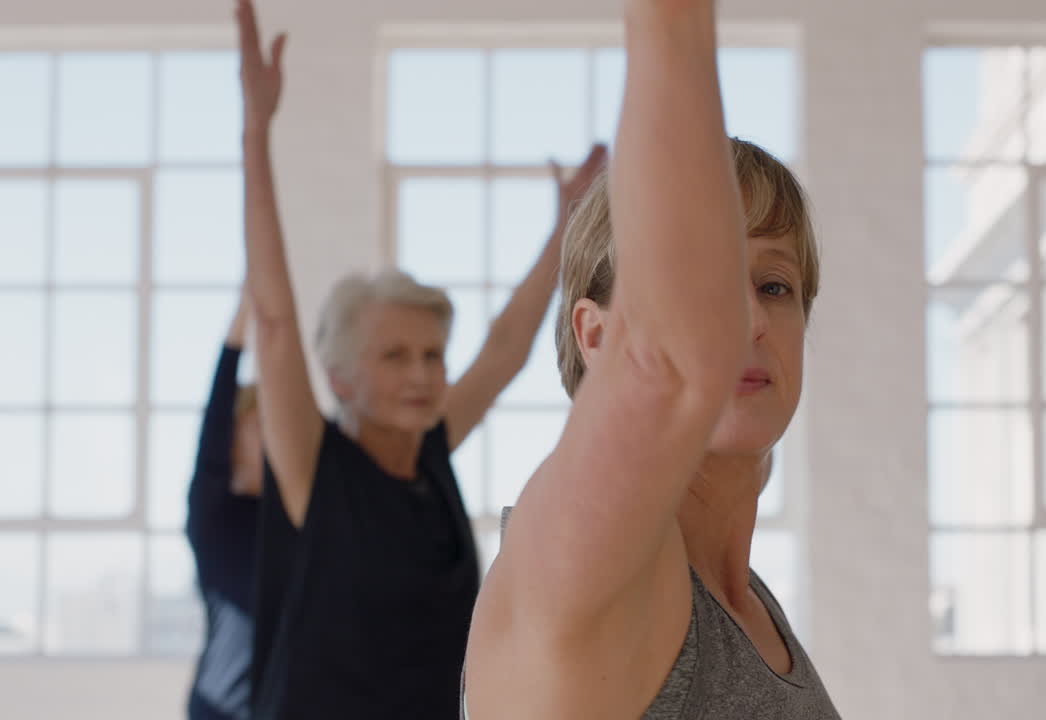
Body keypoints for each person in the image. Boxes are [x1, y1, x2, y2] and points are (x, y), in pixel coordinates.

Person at [463, 1, 840, 717]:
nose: (750, 318)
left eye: (774, 285)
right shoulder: (588, 569)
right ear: (597, 336)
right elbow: (670, 368)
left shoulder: (751, 610)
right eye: (713, 284)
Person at [233, 1, 607, 716]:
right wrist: (256, 131)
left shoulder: (431, 449)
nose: (422, 373)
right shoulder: (318, 468)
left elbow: (505, 347)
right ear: (340, 376)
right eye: (395, 355)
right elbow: (276, 322)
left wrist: (565, 227)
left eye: (433, 354)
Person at [186, 289, 262, 720]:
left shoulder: (297, 516)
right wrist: (252, 302)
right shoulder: (213, 511)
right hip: (219, 709)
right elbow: (217, 406)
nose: (272, 438)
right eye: (258, 426)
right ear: (232, 436)